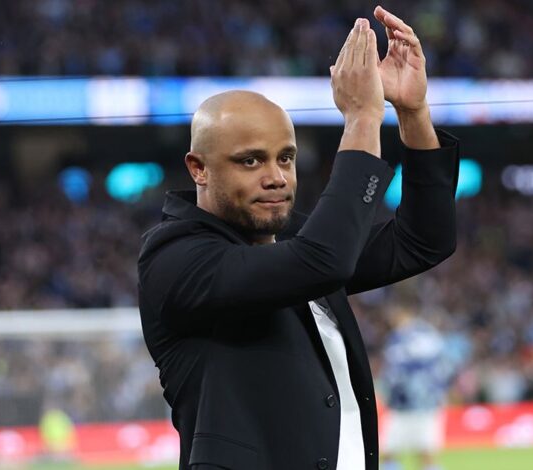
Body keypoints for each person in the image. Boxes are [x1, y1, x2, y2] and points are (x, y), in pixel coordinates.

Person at [138, 6, 460, 469]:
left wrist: (411, 113)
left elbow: (424, 240)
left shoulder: (292, 239)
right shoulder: (175, 257)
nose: (276, 177)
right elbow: (324, 261)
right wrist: (363, 119)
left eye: (285, 158)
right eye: (251, 161)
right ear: (199, 169)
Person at [379, 307, 463, 470]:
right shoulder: (431, 336)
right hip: (428, 403)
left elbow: (392, 373)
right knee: (427, 454)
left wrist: (387, 393)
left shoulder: (398, 338)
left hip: (402, 405)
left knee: (390, 452)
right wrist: (443, 390)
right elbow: (446, 367)